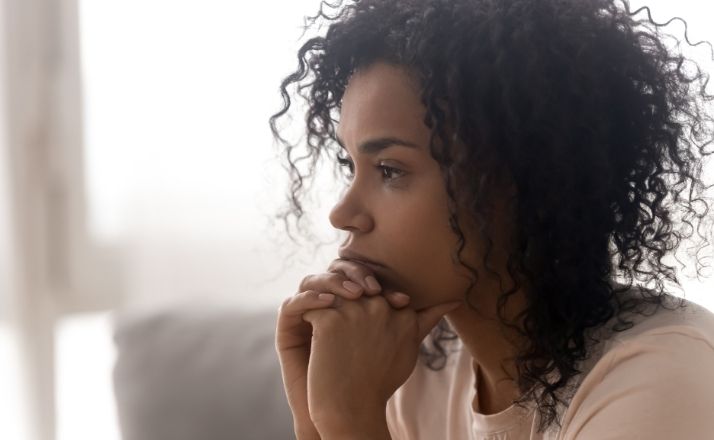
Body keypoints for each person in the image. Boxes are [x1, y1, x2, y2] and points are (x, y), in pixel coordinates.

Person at [270, 0, 714, 438]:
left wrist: (349, 421)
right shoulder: (414, 371)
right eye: (352, 167)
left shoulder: (664, 374)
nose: (343, 214)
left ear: (529, 181)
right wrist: (317, 421)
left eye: (390, 170)